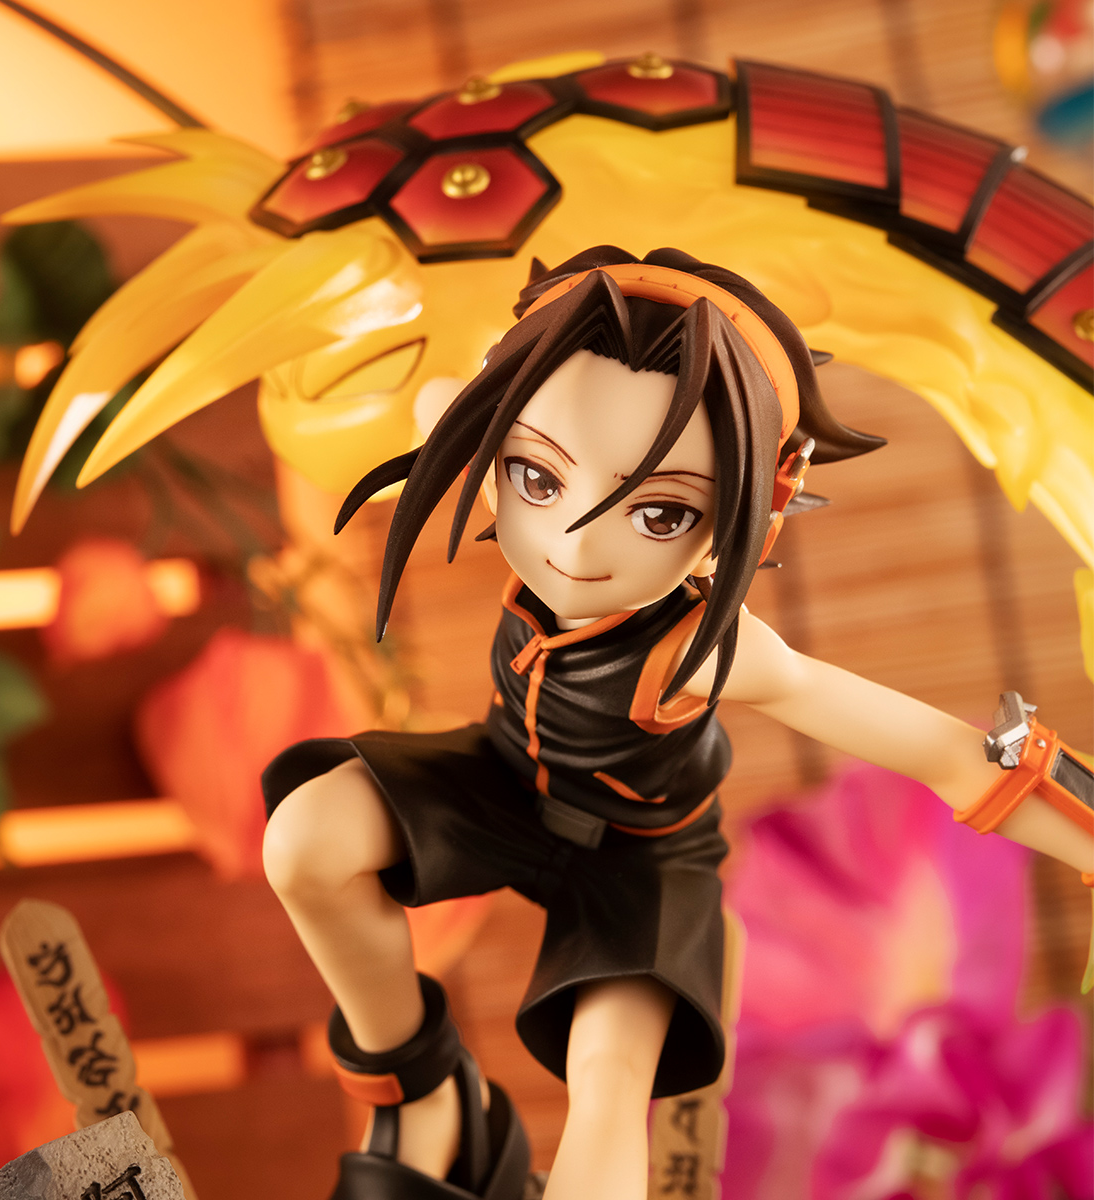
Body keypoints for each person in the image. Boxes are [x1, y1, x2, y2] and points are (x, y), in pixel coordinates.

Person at [260, 247, 1093, 1200]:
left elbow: (940, 750)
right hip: (499, 781)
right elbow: (437, 392)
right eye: (539, 480)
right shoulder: (489, 446)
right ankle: (420, 1087)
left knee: (610, 1083)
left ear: (748, 519)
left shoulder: (709, 650)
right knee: (306, 839)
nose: (576, 542)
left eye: (659, 514)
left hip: (639, 859)